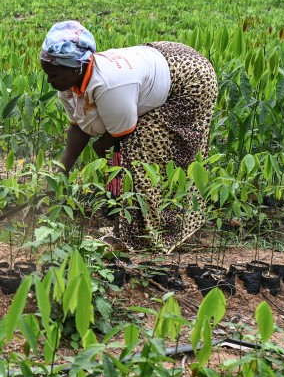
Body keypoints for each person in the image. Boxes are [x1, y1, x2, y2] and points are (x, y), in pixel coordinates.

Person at [39, 21, 217, 253]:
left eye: (53, 75)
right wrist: (61, 172)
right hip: (160, 60)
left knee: (142, 152)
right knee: (128, 151)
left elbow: (121, 133)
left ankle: (135, 235)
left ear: (75, 69)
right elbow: (78, 127)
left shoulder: (109, 85)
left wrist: (100, 150)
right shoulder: (68, 83)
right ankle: (129, 223)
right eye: (47, 74)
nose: (49, 81)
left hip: (190, 78)